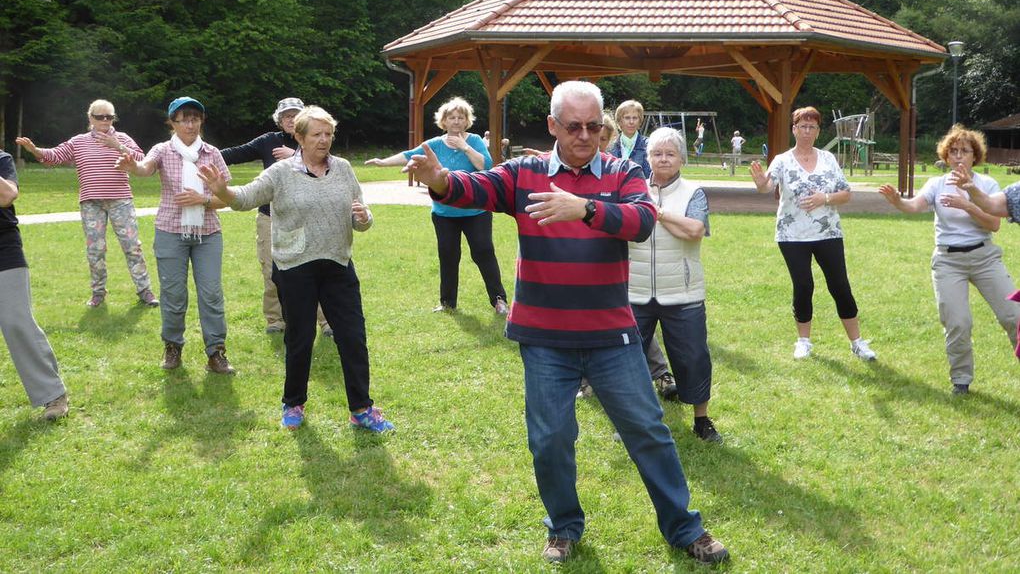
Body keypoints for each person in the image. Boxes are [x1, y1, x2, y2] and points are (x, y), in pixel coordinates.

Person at [404, 81, 728, 565]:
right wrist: (437, 177)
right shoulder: (523, 173)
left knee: (648, 431)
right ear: (553, 125)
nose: (584, 135)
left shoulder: (623, 171)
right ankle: (562, 527)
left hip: (611, 336)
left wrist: (587, 209)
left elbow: (641, 220)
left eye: (593, 126)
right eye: (573, 126)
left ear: (604, 126)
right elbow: (474, 187)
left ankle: (685, 528)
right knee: (550, 439)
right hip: (544, 338)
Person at [199, 106, 393, 433]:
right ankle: (293, 404)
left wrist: (364, 219)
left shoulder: (343, 169)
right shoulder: (280, 173)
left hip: (337, 264)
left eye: (328, 134)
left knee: (353, 338)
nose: (324, 140)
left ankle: (361, 409)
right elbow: (245, 199)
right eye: (316, 134)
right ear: (299, 137)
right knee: (300, 338)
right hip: (295, 266)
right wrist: (222, 191)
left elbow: (361, 214)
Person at [878, 126, 1019, 394]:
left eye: (964, 151)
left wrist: (967, 204)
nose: (958, 157)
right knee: (957, 322)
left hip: (984, 257)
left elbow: (994, 225)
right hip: (947, 260)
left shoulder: (986, 185)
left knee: (1014, 315)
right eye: (953, 151)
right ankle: (961, 381)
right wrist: (898, 201)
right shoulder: (936, 184)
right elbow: (914, 206)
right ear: (946, 156)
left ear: (974, 156)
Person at [115, 97, 235, 375]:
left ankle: (216, 353)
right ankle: (172, 348)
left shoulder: (212, 153)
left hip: (207, 233)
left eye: (195, 118)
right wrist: (133, 167)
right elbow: (145, 168)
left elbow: (226, 197)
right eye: (184, 119)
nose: (190, 124)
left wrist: (201, 200)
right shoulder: (163, 150)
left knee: (211, 294)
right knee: (173, 294)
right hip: (170, 231)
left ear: (201, 121)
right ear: (173, 123)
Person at [749, 106, 877, 362]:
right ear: (794, 129)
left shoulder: (828, 159)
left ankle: (857, 343)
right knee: (804, 285)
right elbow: (766, 188)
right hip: (792, 235)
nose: (807, 131)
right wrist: (760, 181)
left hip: (828, 232)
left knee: (840, 285)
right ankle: (803, 342)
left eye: (812, 127)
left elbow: (846, 194)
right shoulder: (782, 160)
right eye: (802, 126)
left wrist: (824, 198)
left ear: (818, 131)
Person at [366, 97, 509, 316]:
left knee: (483, 252)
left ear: (466, 121)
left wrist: (464, 147)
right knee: (448, 255)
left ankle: (499, 300)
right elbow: (408, 155)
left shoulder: (476, 141)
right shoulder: (434, 144)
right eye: (451, 117)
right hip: (444, 213)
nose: (456, 121)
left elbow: (486, 166)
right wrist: (383, 162)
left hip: (476, 210)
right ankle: (447, 303)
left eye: (461, 117)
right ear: (444, 121)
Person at [16, 100, 158, 308]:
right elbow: (55, 156)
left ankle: (145, 291)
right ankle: (98, 292)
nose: (105, 121)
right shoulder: (79, 142)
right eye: (100, 117)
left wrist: (117, 146)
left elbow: (142, 160)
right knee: (95, 249)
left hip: (121, 200)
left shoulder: (123, 138)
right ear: (90, 118)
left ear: (113, 118)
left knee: (132, 246)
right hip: (91, 203)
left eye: (109, 117)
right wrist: (35, 150)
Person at [576, 112, 678, 401]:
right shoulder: (572, 171)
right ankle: (585, 379)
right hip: (581, 261)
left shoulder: (619, 172)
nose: (598, 143)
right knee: (583, 320)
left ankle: (660, 373)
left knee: (632, 323)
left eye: (604, 138)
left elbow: (638, 215)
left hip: (616, 260)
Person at [629, 128, 721, 442]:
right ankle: (635, 420)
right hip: (634, 290)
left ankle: (702, 420)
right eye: (657, 153)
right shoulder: (633, 189)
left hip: (682, 292)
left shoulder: (693, 192)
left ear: (682, 158)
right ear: (648, 157)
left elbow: (694, 229)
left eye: (670, 153)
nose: (663, 159)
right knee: (628, 360)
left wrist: (656, 212)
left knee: (693, 357)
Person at [220, 97, 330, 337]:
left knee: (316, 268)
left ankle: (326, 320)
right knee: (271, 270)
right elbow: (234, 153)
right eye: (286, 116)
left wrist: (296, 154)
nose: (291, 120)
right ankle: (275, 319)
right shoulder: (268, 141)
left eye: (296, 115)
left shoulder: (315, 141)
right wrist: (200, 152)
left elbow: (330, 171)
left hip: (308, 217)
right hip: (270, 217)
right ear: (279, 121)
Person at [0, 149, 70, 420]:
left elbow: (6, 196)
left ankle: (53, 394)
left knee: (16, 320)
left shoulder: (3, 160)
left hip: (4, 250)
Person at [608, 99, 651, 177]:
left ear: (640, 121)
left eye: (635, 118)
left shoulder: (649, 145)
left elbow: (650, 176)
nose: (631, 122)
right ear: (619, 121)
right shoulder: (610, 146)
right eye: (627, 118)